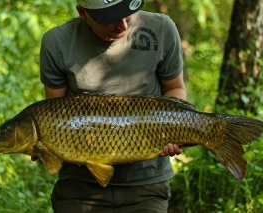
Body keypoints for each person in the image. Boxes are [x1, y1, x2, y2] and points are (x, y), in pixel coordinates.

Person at [38, 0, 186, 212]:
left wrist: (173, 129)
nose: (123, 26)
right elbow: (53, 115)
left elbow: (175, 88)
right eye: (109, 19)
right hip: (79, 188)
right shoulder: (57, 42)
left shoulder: (161, 29)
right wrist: (44, 145)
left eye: (127, 13)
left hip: (147, 182)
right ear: (83, 12)